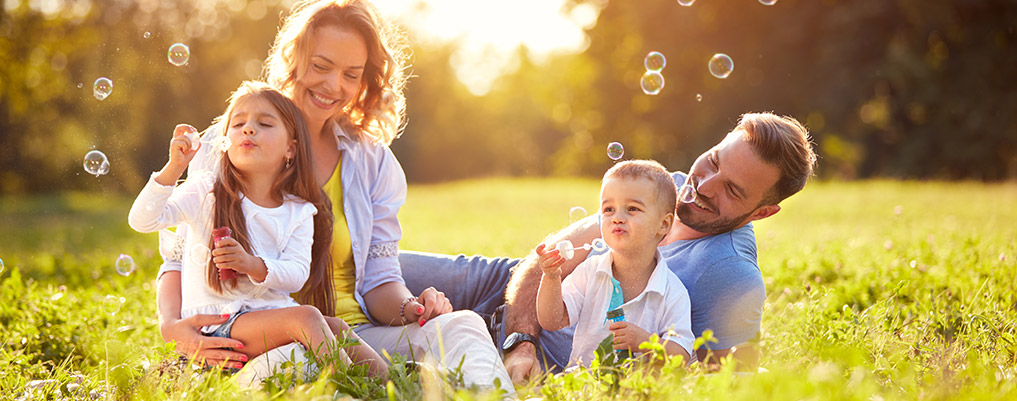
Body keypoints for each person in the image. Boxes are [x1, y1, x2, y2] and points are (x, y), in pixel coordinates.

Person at [153, 0, 514, 394]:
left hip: (355, 339)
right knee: (299, 369)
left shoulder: (372, 161)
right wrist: (173, 329)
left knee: (462, 325)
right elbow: (176, 257)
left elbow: (379, 281)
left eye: (350, 74)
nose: (333, 86)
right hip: (258, 339)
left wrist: (411, 307)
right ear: (293, 58)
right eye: (321, 66)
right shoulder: (229, 142)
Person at [398, 112, 817, 383]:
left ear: (762, 213)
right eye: (712, 162)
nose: (701, 187)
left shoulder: (731, 274)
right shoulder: (664, 186)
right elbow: (546, 254)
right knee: (360, 268)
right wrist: (519, 342)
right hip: (507, 289)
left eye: (732, 190)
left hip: (543, 355)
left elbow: (730, 383)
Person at [129, 81, 386, 376]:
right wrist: (174, 168)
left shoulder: (299, 210)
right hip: (218, 324)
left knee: (336, 326)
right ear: (226, 142)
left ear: (291, 148)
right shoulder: (204, 192)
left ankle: (393, 381)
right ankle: (355, 386)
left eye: (264, 123)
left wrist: (252, 265)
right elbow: (143, 220)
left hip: (265, 318)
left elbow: (297, 273)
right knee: (307, 318)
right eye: (238, 124)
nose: (248, 129)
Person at [535, 160, 693, 367]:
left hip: (638, 393)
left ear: (663, 225)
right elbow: (551, 320)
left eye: (632, 209)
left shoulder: (671, 291)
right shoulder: (590, 273)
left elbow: (681, 355)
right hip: (584, 388)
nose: (617, 218)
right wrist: (551, 278)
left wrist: (645, 342)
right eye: (609, 209)